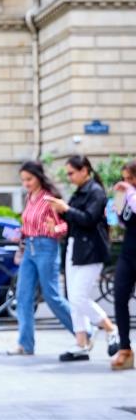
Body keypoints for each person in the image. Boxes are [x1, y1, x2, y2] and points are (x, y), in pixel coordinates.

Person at [46, 155, 118, 362]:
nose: (69, 177)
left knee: (78, 296)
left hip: (91, 249)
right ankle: (81, 343)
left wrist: (66, 209)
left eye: (71, 173)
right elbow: (74, 219)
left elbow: (89, 219)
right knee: (74, 299)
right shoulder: (79, 192)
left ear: (84, 170)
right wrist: (58, 216)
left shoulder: (95, 191)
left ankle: (111, 328)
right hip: (74, 247)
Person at [7, 161, 76, 356]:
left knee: (52, 295)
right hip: (29, 248)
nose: (26, 183)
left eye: (29, 179)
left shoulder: (50, 199)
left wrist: (54, 229)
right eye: (23, 180)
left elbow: (65, 226)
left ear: (38, 177)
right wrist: (17, 233)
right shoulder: (30, 197)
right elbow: (29, 225)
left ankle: (84, 332)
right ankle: (25, 344)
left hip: (47, 247)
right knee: (23, 296)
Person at [110, 160, 136, 369]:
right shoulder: (128, 195)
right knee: (119, 297)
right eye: (125, 178)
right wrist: (117, 204)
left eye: (131, 178)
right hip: (129, 252)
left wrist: (128, 193)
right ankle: (125, 348)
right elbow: (120, 222)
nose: (127, 182)